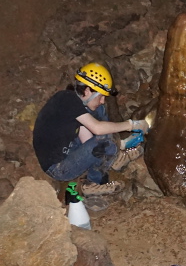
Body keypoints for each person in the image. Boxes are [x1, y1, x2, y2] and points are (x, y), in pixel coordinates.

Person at [32, 63, 150, 196]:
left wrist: (107, 151)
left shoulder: (73, 101)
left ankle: (114, 158)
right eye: (101, 96)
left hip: (67, 147)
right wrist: (131, 125)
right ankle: (93, 184)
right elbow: (97, 129)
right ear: (87, 91)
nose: (103, 100)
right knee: (104, 140)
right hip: (58, 167)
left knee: (98, 112)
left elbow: (87, 134)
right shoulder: (66, 100)